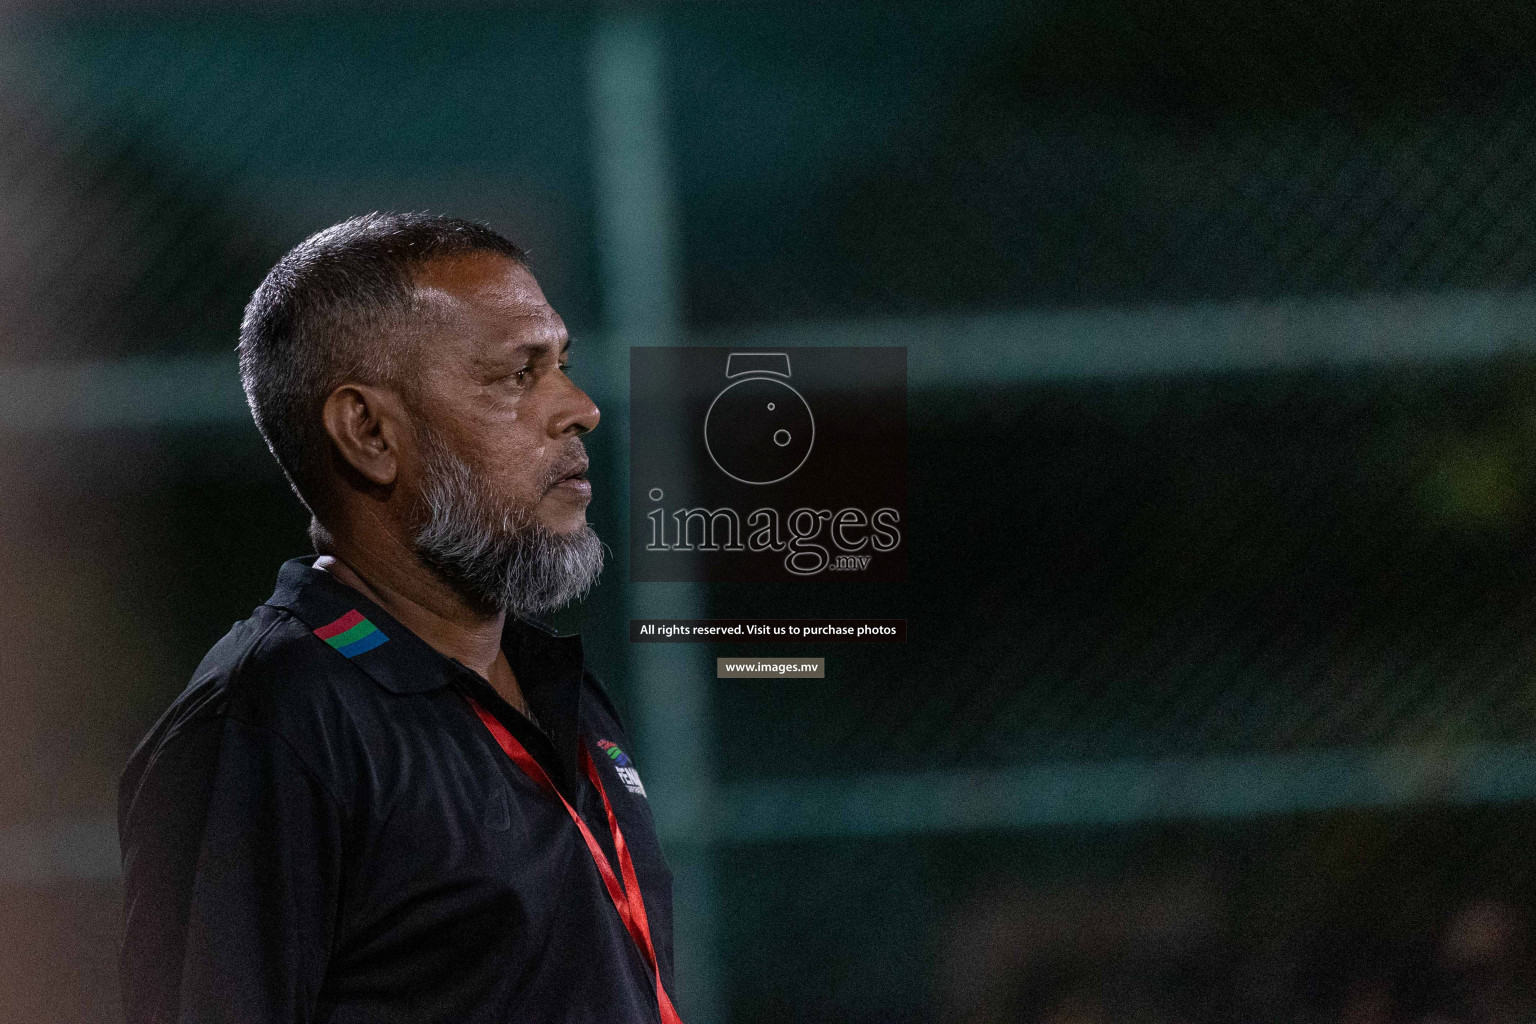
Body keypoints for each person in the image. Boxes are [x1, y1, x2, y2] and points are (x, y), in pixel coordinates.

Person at [116, 213, 681, 1024]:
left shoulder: (557, 686)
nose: (580, 409)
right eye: (517, 376)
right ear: (370, 431)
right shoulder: (270, 722)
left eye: (562, 364)